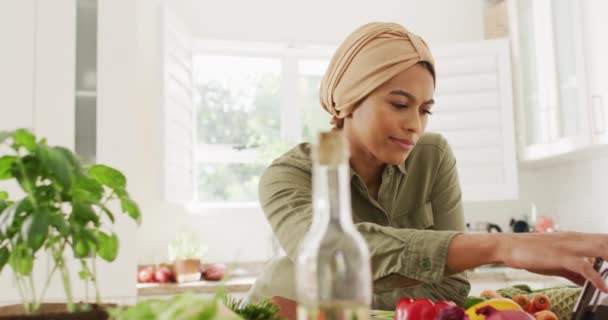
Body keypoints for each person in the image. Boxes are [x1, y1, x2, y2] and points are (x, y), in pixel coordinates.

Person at [246, 22, 608, 317]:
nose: (415, 125)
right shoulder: (286, 177)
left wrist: (345, 301)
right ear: (349, 100)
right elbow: (333, 251)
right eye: (400, 104)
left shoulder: (433, 156)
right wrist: (500, 245)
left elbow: (451, 288)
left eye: (425, 109)